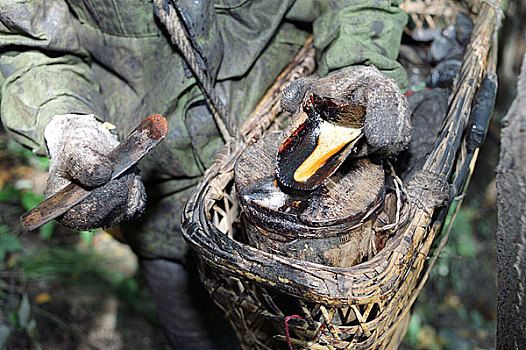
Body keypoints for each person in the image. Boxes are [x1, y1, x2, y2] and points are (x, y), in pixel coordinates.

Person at [0, 1, 410, 348]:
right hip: (169, 216)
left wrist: (360, 62)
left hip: (286, 130)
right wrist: (68, 124)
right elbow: (23, 42)